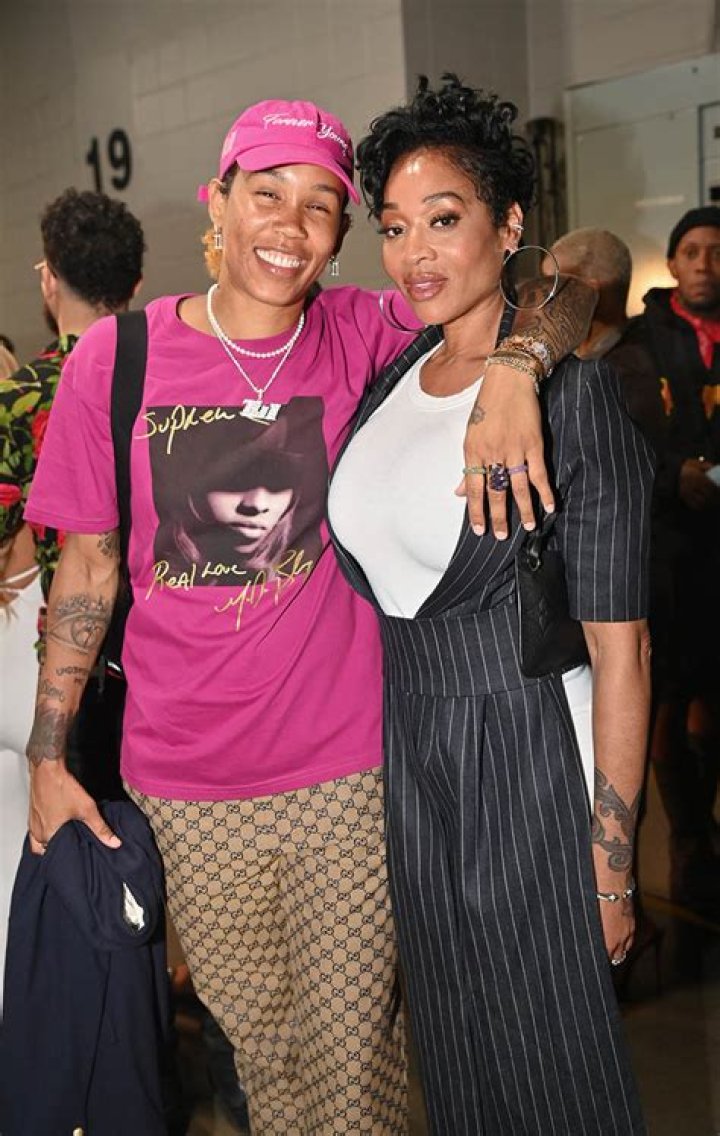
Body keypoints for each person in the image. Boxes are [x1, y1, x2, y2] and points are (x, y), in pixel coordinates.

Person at [23, 98, 594, 1133]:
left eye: (321, 206)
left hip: (343, 773)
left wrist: (518, 367)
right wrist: (49, 756)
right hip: (184, 784)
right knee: (266, 1059)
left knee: (353, 1064)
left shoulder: (362, 328)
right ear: (218, 202)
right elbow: (88, 569)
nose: (290, 225)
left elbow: (571, 271)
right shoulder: (115, 359)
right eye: (267, 194)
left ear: (339, 237)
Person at [329, 75, 652, 1134]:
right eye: (393, 227)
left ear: (509, 225)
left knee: (554, 1079)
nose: (414, 252)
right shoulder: (396, 372)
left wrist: (612, 869)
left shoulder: (572, 393)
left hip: (528, 749)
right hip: (414, 750)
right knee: (460, 1072)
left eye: (444, 218)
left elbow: (623, 650)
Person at [0, 189, 144, 1013]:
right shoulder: (165, 378)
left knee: (82, 867)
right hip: (165, 660)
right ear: (135, 283)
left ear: (49, 279)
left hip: (61, 671)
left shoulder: (21, 398)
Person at [640, 206, 720, 914]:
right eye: (691, 251)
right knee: (668, 698)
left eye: (716, 252)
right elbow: (626, 438)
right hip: (668, 550)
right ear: (672, 263)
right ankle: (689, 845)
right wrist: (675, 475)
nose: (704, 264)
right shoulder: (643, 341)